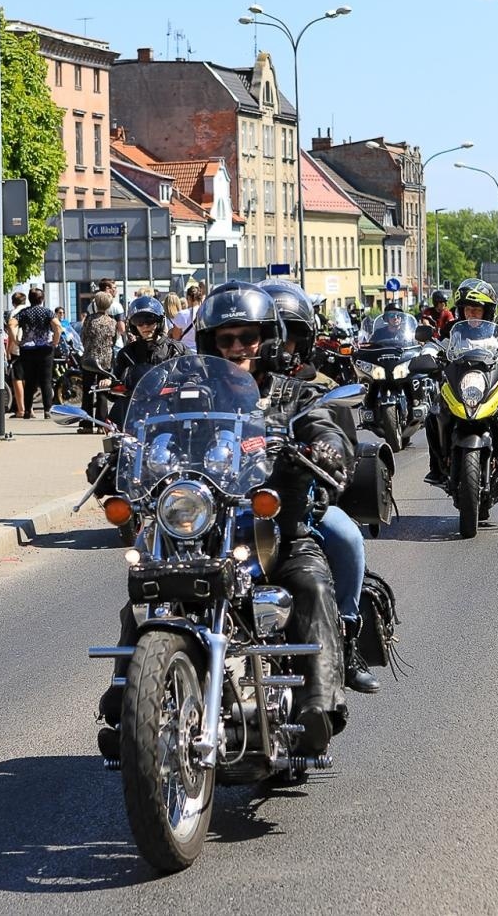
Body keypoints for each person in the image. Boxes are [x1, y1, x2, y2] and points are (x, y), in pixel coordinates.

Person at [93, 282, 352, 759]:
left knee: (312, 583)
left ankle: (319, 705)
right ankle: (126, 703)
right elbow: (150, 435)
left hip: (275, 532)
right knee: (146, 584)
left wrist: (327, 447)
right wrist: (117, 458)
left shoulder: (291, 394)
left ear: (265, 338)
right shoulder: (184, 395)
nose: (237, 348)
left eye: (247, 338)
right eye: (226, 340)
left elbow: (325, 425)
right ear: (210, 344)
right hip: (203, 527)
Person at [263, 278, 379, 695]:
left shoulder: (319, 387)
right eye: (272, 334)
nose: (281, 346)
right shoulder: (228, 383)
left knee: (346, 536)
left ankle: (346, 640)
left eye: (290, 335)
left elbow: (340, 443)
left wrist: (325, 457)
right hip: (233, 502)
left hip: (303, 502)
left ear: (305, 339)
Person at [424, 278, 498, 489]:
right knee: (433, 415)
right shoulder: (454, 329)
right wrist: (426, 355)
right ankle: (436, 467)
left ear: (487, 311)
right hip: (458, 381)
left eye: (476, 309)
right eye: (467, 309)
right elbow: (434, 346)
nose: (471, 314)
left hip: (496, 382)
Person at [107, 295, 187, 427]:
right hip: (135, 415)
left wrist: (190, 381)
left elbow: (196, 371)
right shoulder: (127, 353)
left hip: (170, 414)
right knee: (114, 443)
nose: (145, 326)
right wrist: (109, 383)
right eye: (139, 322)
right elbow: (116, 384)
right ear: (133, 325)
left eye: (149, 321)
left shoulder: (176, 349)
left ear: (159, 321)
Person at [14, 288, 59, 419]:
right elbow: (57, 326)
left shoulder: (24, 313)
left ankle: (27, 410)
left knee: (29, 380)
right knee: (46, 380)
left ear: (29, 299)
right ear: (42, 299)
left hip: (27, 349)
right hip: (45, 349)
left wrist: (17, 340)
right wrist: (55, 341)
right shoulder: (47, 312)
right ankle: (47, 410)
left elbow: (11, 324)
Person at [78, 291, 118, 430]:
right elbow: (114, 340)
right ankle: (102, 424)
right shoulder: (112, 321)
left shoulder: (89, 320)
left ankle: (86, 424)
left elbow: (83, 337)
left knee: (88, 390)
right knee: (103, 391)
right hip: (106, 359)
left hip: (90, 358)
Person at [5, 290, 28, 417]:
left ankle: (21, 409)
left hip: (17, 349)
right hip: (31, 348)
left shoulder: (14, 313)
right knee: (27, 378)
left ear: (13, 302)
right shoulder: (30, 310)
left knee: (17, 379)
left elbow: (11, 334)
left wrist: (8, 350)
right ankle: (30, 408)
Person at [169, 284, 201, 350]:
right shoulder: (205, 312)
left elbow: (176, 337)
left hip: (185, 352)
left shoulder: (182, 314)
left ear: (188, 298)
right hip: (202, 352)